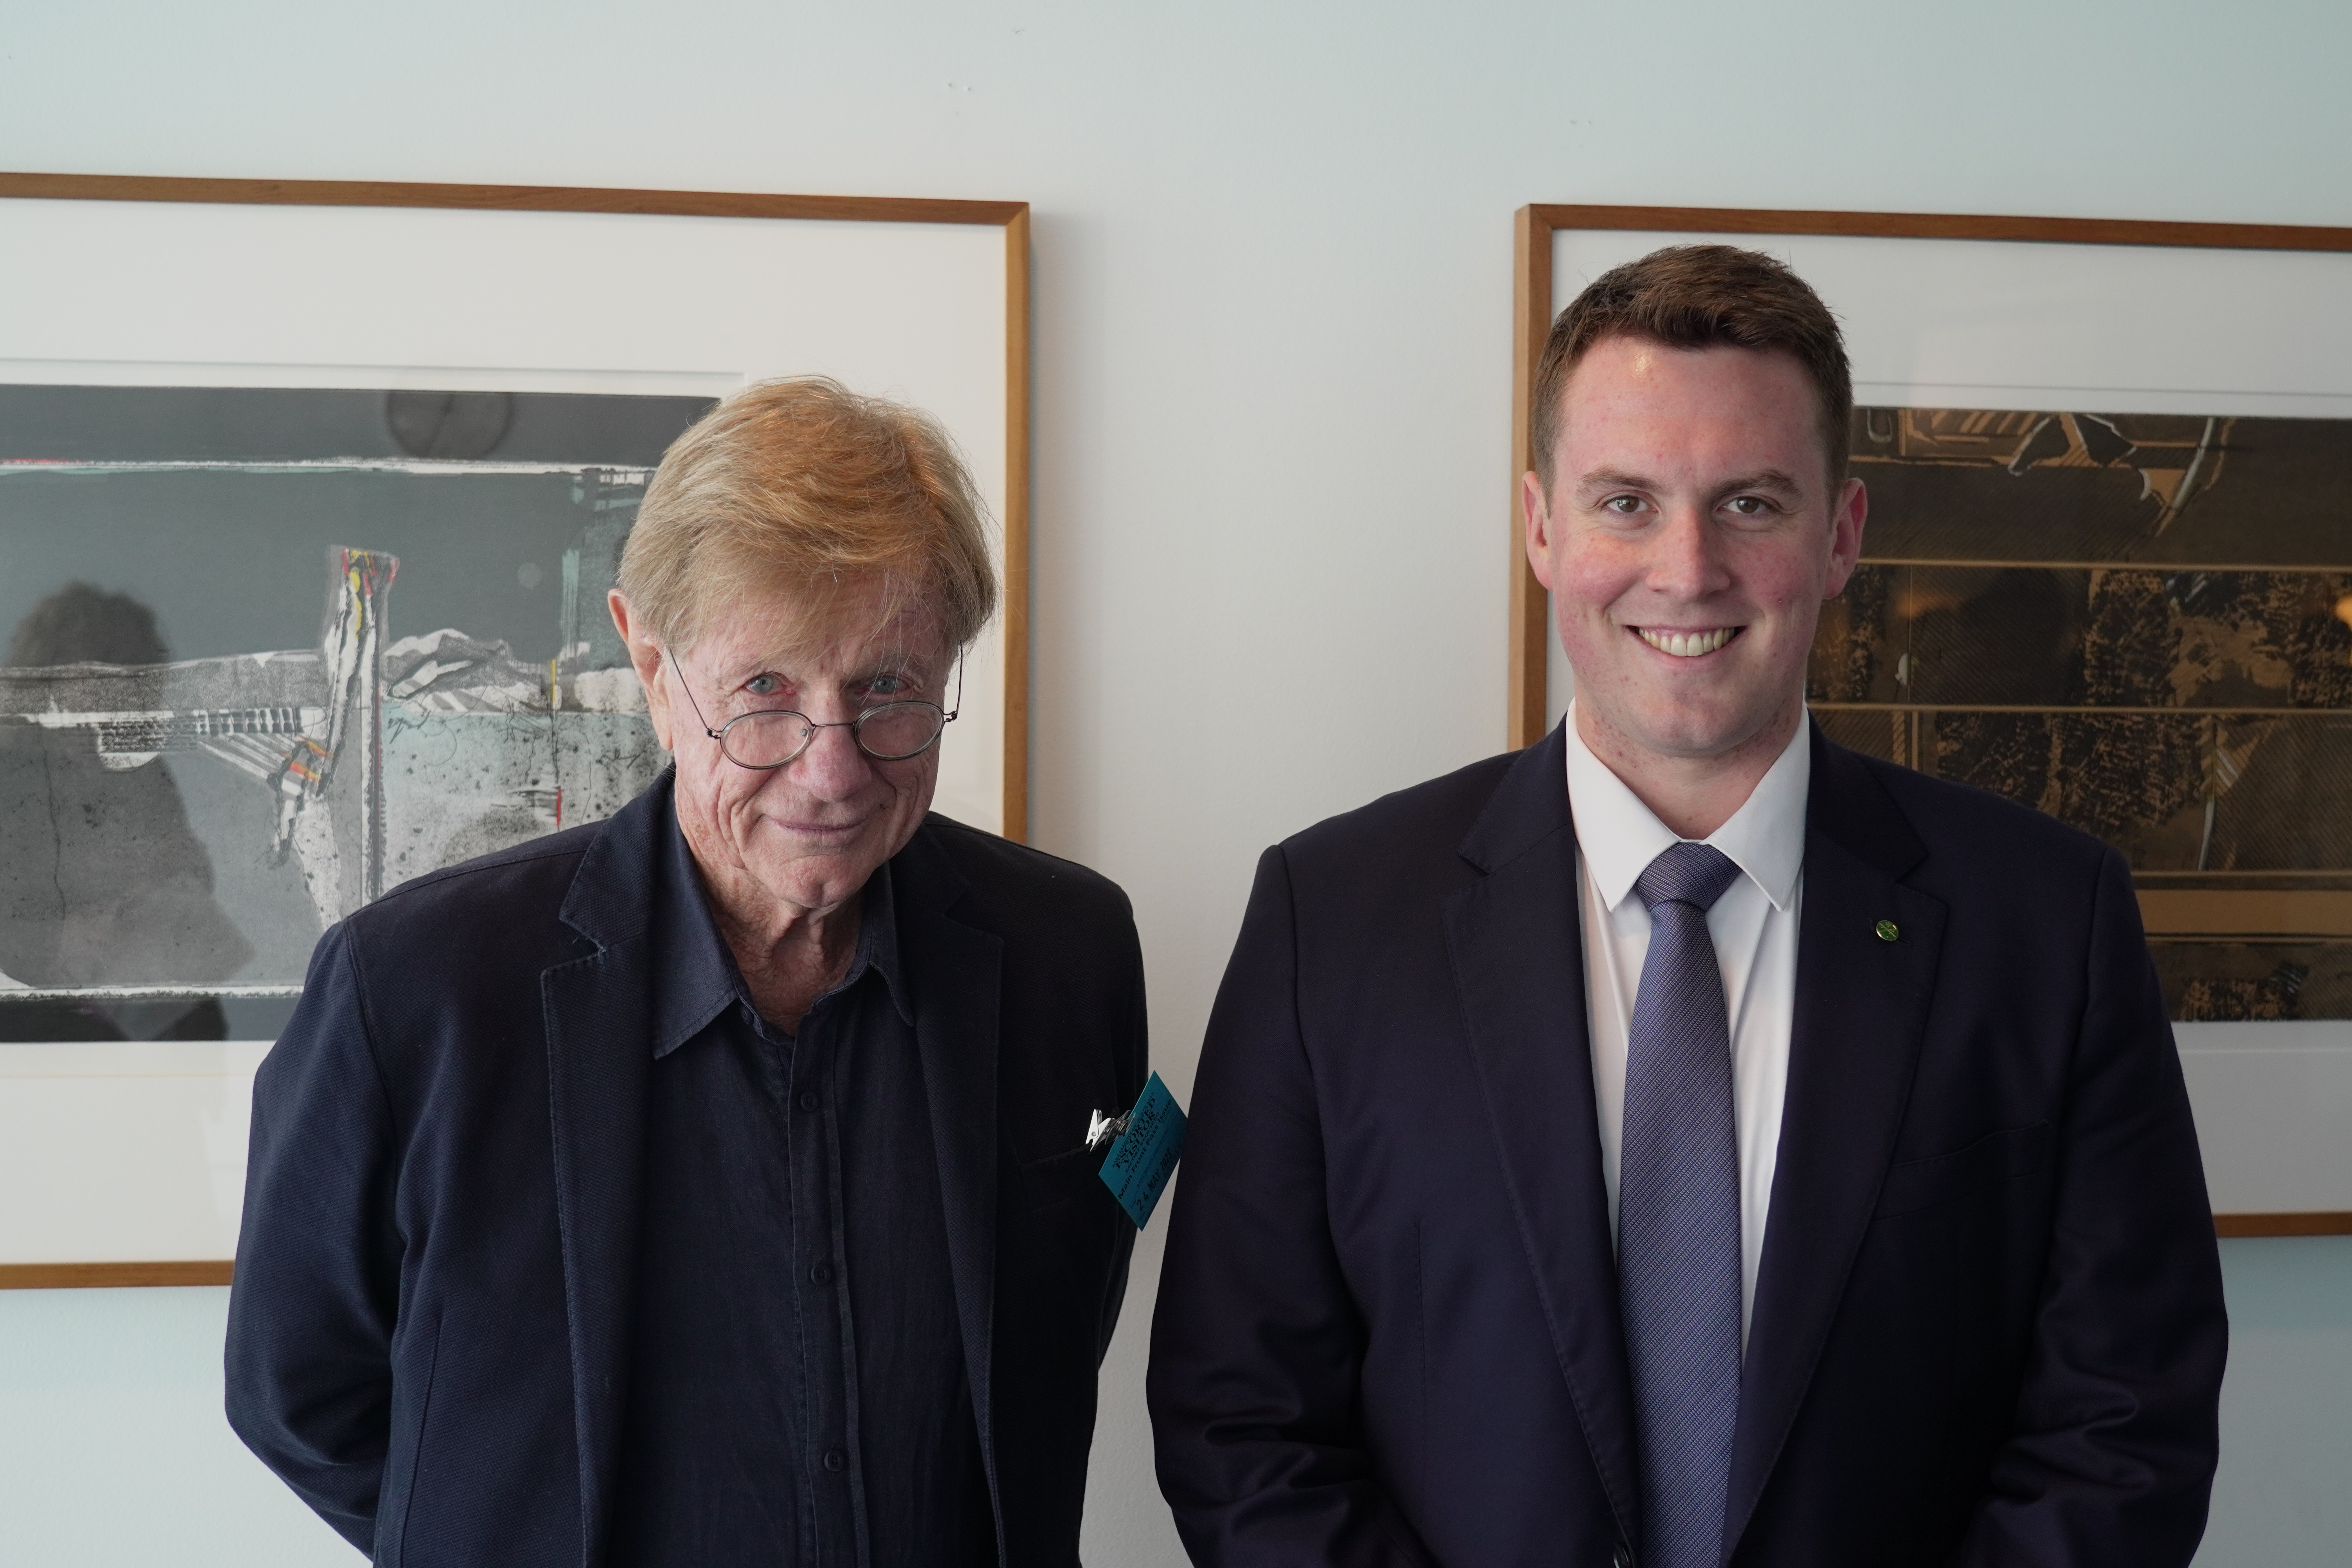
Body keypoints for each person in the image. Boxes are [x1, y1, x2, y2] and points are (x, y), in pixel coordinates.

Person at [1148, 247, 2226, 1568]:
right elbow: (1239, 1418)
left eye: (1753, 505)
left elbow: (2125, 1425)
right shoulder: (1332, 916)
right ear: (1543, 527)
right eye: (1626, 502)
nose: (1687, 568)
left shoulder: (2049, 923)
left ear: (1842, 536)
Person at [228, 378, 1148, 1568]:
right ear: (653, 669)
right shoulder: (413, 992)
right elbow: (297, 1391)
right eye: (765, 691)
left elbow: (1073, 1304)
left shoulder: (1068, 952)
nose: (833, 771)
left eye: (886, 689)